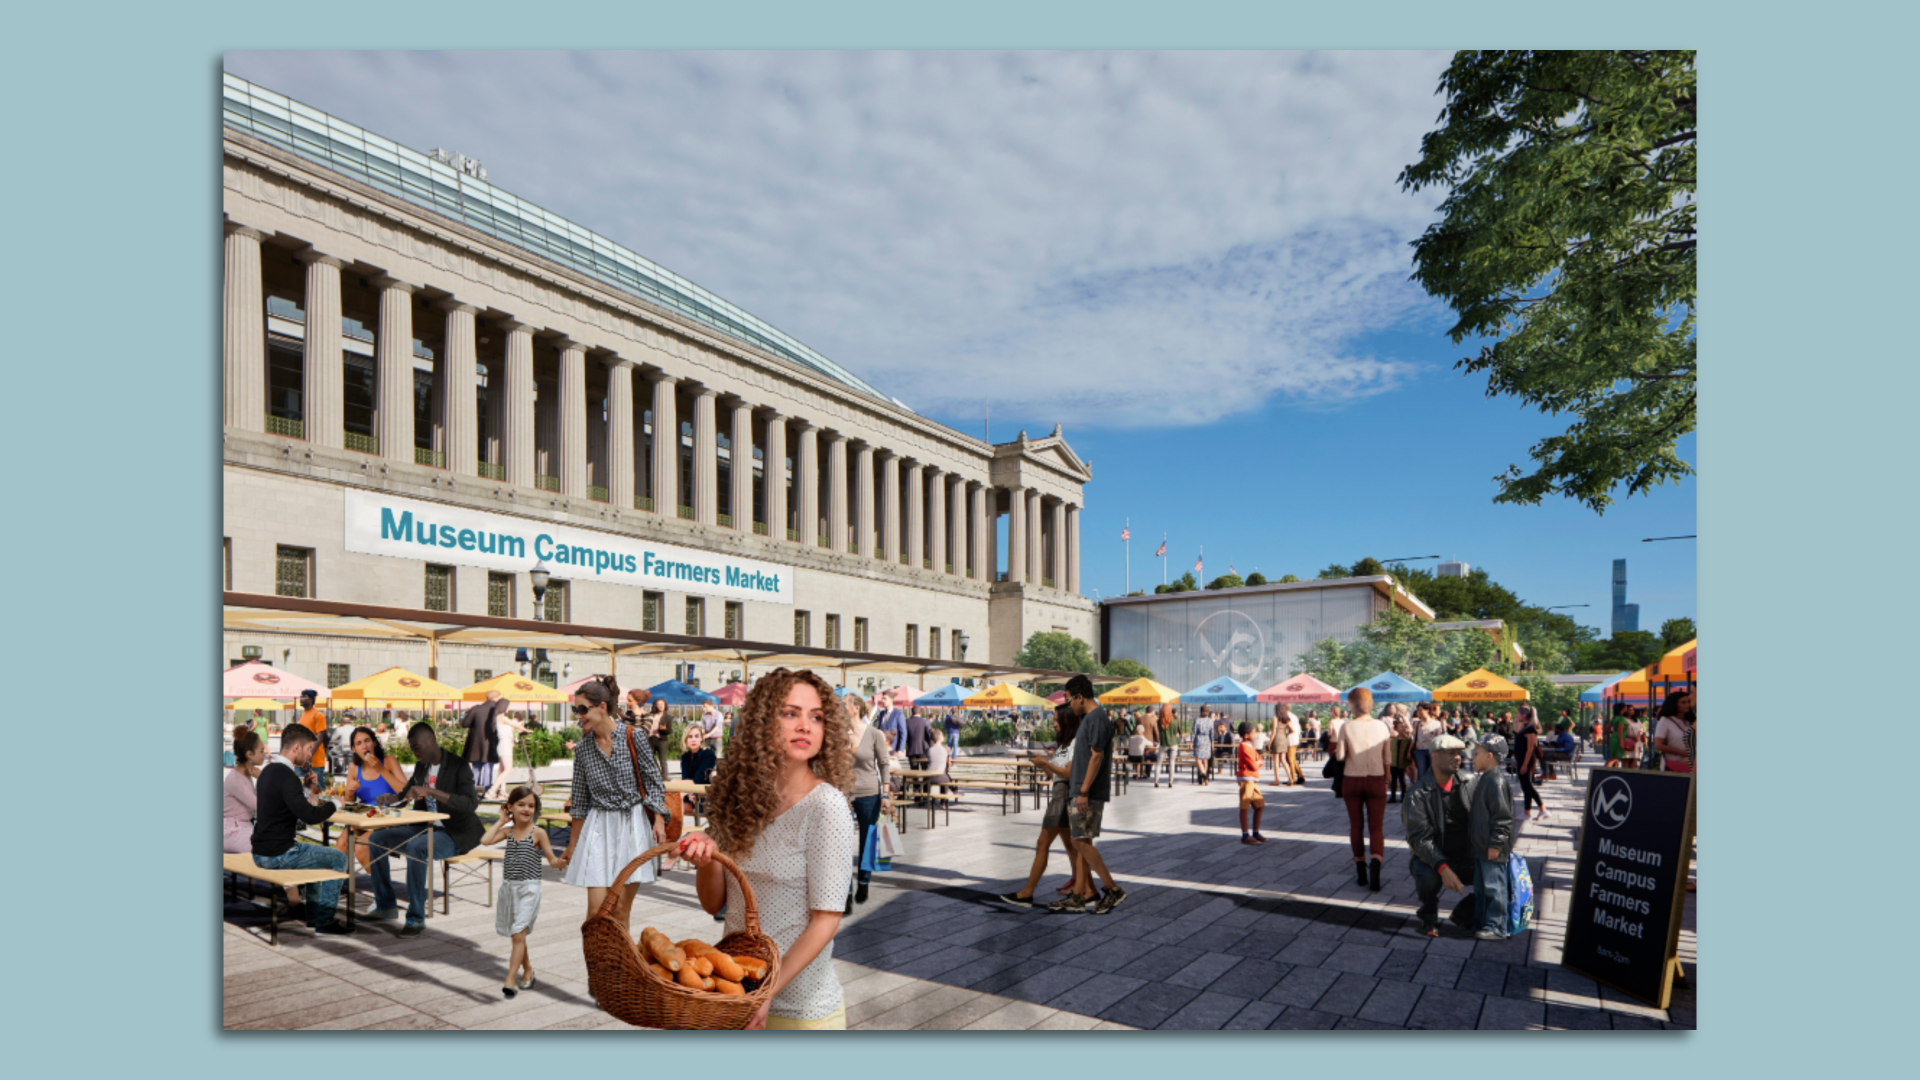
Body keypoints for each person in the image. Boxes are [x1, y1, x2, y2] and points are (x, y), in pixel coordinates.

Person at [678, 668, 857, 1030]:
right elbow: (715, 903)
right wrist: (706, 856)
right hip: (737, 996)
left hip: (800, 1011)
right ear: (762, 723)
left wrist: (767, 993)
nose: (805, 726)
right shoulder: (742, 801)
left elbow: (827, 920)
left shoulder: (827, 806)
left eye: (816, 717)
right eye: (791, 713)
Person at [556, 677, 669, 938]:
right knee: (596, 913)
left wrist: (659, 819)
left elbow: (654, 781)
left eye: (583, 709)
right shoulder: (583, 749)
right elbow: (580, 799)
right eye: (576, 710)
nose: (579, 716)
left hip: (632, 827)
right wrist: (572, 845)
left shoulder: (634, 737)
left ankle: (620, 975)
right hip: (598, 827)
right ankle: (597, 975)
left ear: (603, 707)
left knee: (619, 912)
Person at [363, 722, 484, 934]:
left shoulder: (458, 765)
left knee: (417, 847)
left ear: (431, 741)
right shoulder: (422, 767)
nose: (414, 752)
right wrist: (390, 798)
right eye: (411, 748)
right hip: (423, 827)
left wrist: (431, 792)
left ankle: (416, 918)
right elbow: (405, 795)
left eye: (417, 747)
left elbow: (470, 804)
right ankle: (386, 906)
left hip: (453, 832)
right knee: (376, 839)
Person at [250, 725, 352, 934]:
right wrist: (336, 803)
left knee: (315, 859)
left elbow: (286, 807)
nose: (309, 755)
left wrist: (305, 788)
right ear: (296, 747)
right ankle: (325, 921)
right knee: (339, 859)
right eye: (308, 749)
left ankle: (314, 917)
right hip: (278, 853)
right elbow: (310, 816)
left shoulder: (270, 771)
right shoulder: (286, 776)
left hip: (261, 851)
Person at [1051, 674, 1127, 914]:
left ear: (1080, 696)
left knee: (1079, 842)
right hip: (1083, 790)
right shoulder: (1092, 718)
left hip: (1087, 792)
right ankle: (1078, 896)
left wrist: (1083, 791)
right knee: (1082, 842)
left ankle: (1113, 889)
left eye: (1069, 699)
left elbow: (1097, 756)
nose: (1069, 704)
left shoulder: (1096, 718)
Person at [483, 785, 562, 998]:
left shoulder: (539, 833)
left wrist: (560, 862)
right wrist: (501, 819)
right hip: (509, 887)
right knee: (518, 935)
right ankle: (527, 969)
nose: (527, 809)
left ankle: (510, 978)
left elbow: (552, 860)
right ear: (510, 807)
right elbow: (485, 840)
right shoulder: (507, 831)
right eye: (521, 805)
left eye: (531, 806)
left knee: (519, 934)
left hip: (529, 888)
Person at [1002, 705, 1083, 907]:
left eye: (1056, 719)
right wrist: (1044, 763)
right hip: (1059, 795)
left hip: (1063, 798)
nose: (1053, 722)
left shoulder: (1074, 745)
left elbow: (1070, 774)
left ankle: (1028, 892)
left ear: (1067, 721)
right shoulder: (1063, 745)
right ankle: (1077, 885)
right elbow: (1055, 775)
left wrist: (1046, 763)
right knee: (1070, 846)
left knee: (1042, 844)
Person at [1401, 733, 1479, 937]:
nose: (1458, 757)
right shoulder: (1417, 795)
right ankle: (1428, 916)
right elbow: (1420, 839)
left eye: (1459, 753)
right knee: (1427, 877)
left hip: (1468, 856)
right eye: (1450, 753)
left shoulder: (1471, 782)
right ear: (1434, 756)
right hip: (1433, 857)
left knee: (1502, 874)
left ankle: (1463, 913)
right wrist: (1443, 868)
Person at [1334, 687, 1391, 891]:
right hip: (1376, 779)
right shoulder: (1382, 726)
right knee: (1376, 827)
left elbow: (1340, 756)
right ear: (1370, 704)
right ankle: (1376, 861)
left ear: (1352, 705)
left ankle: (1360, 865)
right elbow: (1387, 758)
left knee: (1356, 825)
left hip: (1352, 779)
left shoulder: (1347, 727)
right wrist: (1388, 778)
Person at [845, 694, 893, 909]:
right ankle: (844, 890)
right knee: (840, 845)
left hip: (869, 793)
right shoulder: (837, 735)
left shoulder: (874, 734)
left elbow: (884, 764)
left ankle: (864, 882)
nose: (839, 709)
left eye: (843, 705)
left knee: (867, 840)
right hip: (843, 795)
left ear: (856, 708)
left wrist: (885, 794)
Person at [1467, 735, 1516, 940]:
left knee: (1494, 886)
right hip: (1482, 846)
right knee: (1482, 887)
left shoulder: (1495, 780)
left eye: (1476, 753)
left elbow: (1503, 817)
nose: (1472, 757)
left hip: (1491, 847)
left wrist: (1496, 843)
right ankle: (1482, 921)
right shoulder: (1486, 778)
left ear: (1489, 756)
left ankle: (1497, 926)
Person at [339, 725, 408, 870]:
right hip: (365, 818)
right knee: (342, 843)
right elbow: (349, 803)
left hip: (389, 820)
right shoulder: (354, 767)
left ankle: (382, 888)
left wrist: (380, 769)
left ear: (374, 743)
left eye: (367, 741)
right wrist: (350, 793)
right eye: (359, 743)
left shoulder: (389, 761)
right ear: (354, 749)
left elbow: (406, 794)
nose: (364, 746)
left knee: (361, 847)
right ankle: (331, 887)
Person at [460, 692, 506, 795]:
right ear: (495, 697)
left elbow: (465, 723)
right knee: (488, 766)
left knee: (476, 766)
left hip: (476, 743)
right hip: (491, 742)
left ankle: (471, 789)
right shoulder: (498, 710)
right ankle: (487, 789)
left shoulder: (476, 708)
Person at [1235, 721, 1267, 845]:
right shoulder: (1243, 746)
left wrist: (1258, 761)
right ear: (1247, 735)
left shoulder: (1251, 745)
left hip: (1252, 779)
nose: (1255, 734)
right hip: (1246, 778)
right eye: (1253, 732)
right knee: (1244, 806)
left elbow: (1259, 758)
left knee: (1259, 805)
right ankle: (1245, 835)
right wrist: (1258, 762)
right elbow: (1254, 764)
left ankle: (1255, 832)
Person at [488, 710, 529, 800]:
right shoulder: (502, 718)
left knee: (503, 770)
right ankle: (491, 791)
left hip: (506, 745)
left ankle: (502, 792)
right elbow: (516, 725)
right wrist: (526, 729)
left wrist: (517, 731)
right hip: (505, 746)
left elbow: (515, 729)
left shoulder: (503, 721)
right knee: (508, 769)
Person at [1653, 689, 1696, 774]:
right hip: (1673, 766)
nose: (1687, 704)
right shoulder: (1665, 721)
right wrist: (1682, 752)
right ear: (1674, 704)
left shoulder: (1690, 722)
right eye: (1683, 702)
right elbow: (1658, 745)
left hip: (1691, 765)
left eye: (1688, 701)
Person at [1513, 706, 1544, 821]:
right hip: (1522, 760)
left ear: (1524, 715)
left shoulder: (1530, 729)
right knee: (1526, 786)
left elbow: (1530, 749)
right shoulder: (1525, 727)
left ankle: (1528, 812)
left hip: (1526, 760)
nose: (1517, 717)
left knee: (1527, 786)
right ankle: (1541, 809)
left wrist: (1525, 764)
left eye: (1518, 714)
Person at [294, 689, 330, 782]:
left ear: (311, 700)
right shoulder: (302, 717)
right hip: (300, 762)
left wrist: (309, 755)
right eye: (301, 696)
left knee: (316, 792)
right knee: (300, 791)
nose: (301, 698)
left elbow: (320, 736)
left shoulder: (318, 715)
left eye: (305, 696)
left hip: (314, 763)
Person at [1388, 715, 1414, 804]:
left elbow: (1411, 736)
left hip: (1402, 763)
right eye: (1400, 727)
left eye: (1403, 727)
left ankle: (1403, 796)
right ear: (1395, 729)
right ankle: (1393, 796)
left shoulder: (1408, 740)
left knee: (1402, 779)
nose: (1402, 729)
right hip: (1394, 762)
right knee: (1394, 779)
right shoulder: (1393, 740)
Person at [903, 706, 934, 771]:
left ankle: (915, 781)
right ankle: (925, 781)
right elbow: (929, 736)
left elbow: (904, 736)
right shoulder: (925, 721)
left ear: (912, 713)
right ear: (921, 712)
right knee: (925, 769)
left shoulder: (907, 722)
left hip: (911, 749)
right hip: (923, 749)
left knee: (914, 770)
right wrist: (931, 747)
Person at [1191, 708, 1215, 786]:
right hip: (1207, 740)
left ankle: (1203, 774)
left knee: (1198, 759)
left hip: (1199, 739)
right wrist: (1212, 744)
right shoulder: (1210, 721)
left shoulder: (1197, 720)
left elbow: (1193, 732)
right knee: (1205, 760)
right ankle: (1206, 779)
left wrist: (1191, 742)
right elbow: (1212, 734)